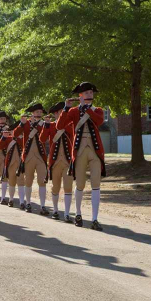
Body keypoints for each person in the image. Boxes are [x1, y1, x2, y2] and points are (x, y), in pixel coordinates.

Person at [57, 82, 106, 231]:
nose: (89, 95)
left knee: (96, 184)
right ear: (80, 96)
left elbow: (99, 121)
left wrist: (88, 109)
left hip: (95, 150)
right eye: (86, 93)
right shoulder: (73, 111)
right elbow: (60, 126)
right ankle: (78, 214)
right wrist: (65, 108)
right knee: (80, 185)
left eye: (91, 93)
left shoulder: (97, 110)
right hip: (79, 151)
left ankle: (95, 219)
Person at [40, 102, 75, 222]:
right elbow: (42, 139)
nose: (63, 114)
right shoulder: (50, 125)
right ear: (55, 114)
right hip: (55, 162)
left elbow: (74, 135)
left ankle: (66, 213)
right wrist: (46, 125)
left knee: (68, 187)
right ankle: (55, 210)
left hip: (68, 161)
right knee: (55, 187)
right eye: (60, 112)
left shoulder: (71, 125)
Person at [14, 103, 50, 215]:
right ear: (32, 113)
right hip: (28, 156)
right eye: (36, 112)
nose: (38, 114)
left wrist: (40, 124)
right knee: (28, 181)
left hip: (40, 157)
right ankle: (28, 203)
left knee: (42, 181)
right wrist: (21, 123)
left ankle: (43, 206)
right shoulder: (26, 124)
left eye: (40, 112)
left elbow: (44, 138)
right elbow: (15, 134)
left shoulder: (44, 124)